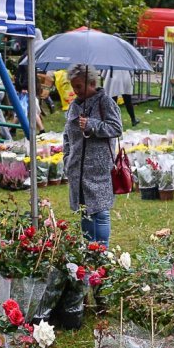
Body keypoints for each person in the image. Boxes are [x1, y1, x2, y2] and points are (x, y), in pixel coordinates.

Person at [63, 63, 123, 246]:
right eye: (73, 86)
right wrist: (67, 157)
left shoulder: (106, 102)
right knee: (84, 211)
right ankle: (90, 251)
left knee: (100, 211)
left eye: (79, 86)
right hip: (77, 168)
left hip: (98, 168)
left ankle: (102, 252)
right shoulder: (75, 106)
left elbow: (116, 128)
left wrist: (92, 125)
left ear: (91, 83)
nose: (76, 91)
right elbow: (67, 134)